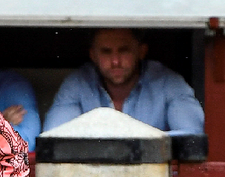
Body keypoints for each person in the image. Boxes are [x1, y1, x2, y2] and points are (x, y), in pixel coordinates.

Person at [44, 28, 204, 134]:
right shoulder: (78, 83)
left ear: (141, 51)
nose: (115, 61)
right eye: (106, 52)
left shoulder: (168, 83)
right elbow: (53, 136)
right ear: (93, 55)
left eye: (124, 50)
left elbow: (191, 136)